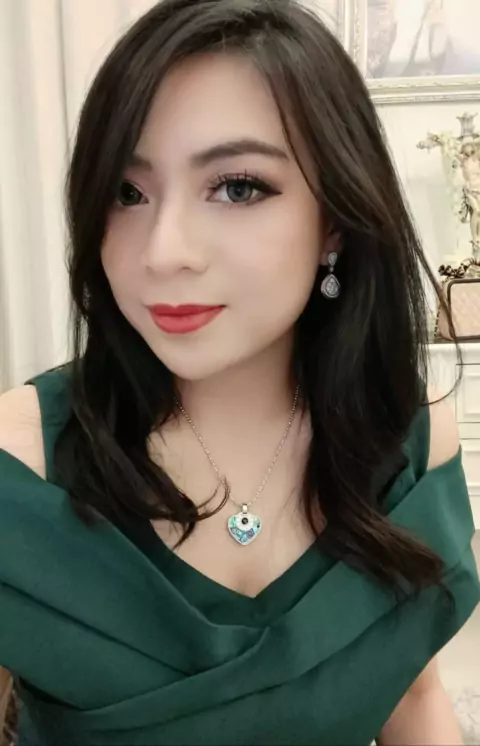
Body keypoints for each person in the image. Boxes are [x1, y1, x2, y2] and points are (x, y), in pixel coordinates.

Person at [0, 0, 479, 744]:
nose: (163, 251)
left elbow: (412, 696)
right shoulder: (19, 470)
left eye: (237, 187)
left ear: (335, 222)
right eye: (128, 193)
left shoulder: (407, 443)